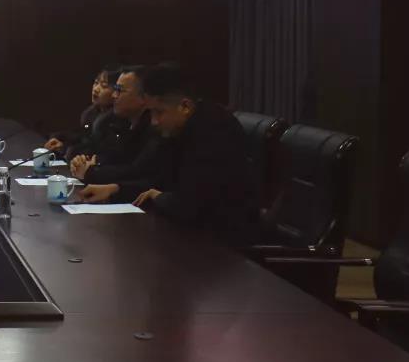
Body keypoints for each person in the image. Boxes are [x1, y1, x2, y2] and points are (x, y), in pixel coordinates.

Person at [79, 65, 261, 248]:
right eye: (151, 113)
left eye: (159, 112)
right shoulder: (178, 128)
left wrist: (159, 197)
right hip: (193, 232)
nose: (154, 121)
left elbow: (189, 204)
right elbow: (158, 180)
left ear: (185, 106)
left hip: (222, 243)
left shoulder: (213, 131)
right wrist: (116, 189)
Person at [69, 65, 156, 182]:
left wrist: (92, 172)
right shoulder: (122, 124)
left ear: (144, 98)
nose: (114, 95)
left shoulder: (153, 129)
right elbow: (109, 158)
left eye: (120, 90)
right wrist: (83, 162)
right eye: (115, 89)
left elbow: (136, 172)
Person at [44, 65, 120, 154]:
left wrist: (65, 148)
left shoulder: (116, 122)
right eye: (96, 82)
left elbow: (96, 150)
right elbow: (80, 136)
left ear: (117, 93)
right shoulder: (92, 113)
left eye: (104, 86)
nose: (96, 89)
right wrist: (59, 139)